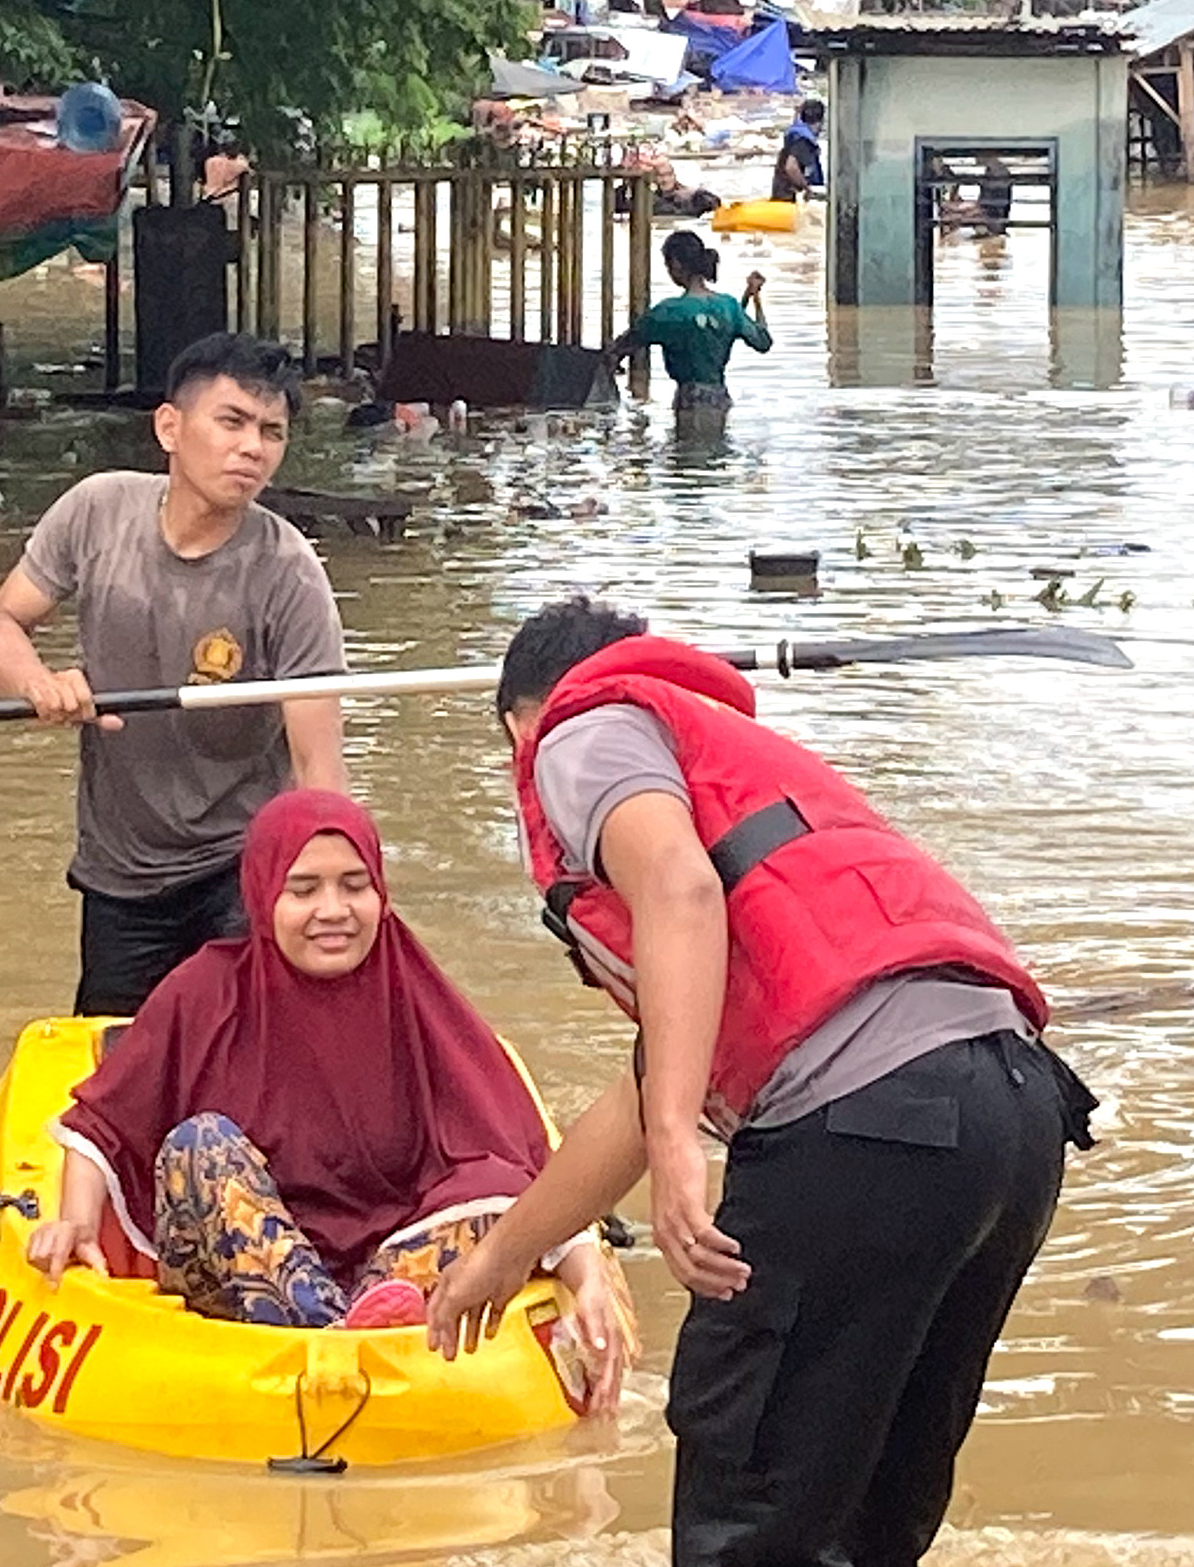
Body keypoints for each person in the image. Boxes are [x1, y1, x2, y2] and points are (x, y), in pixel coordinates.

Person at [426, 597, 1098, 1567]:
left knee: (747, 1522)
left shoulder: (578, 730)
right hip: (1012, 1119)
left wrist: (677, 1146)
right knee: (866, 1528)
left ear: (513, 727)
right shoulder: (727, 760)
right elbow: (646, 1088)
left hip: (866, 1127)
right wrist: (504, 1255)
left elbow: (681, 889)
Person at [24, 790, 629, 1397]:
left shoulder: (417, 997)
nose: (333, 910)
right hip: (238, 1268)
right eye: (304, 890)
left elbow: (522, 1160)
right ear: (263, 896)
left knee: (490, 1188)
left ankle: (356, 1325)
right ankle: (336, 1332)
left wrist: (587, 1277)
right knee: (199, 1146)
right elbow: (101, 1125)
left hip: (386, 1271)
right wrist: (74, 1223)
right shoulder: (202, 992)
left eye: (354, 886)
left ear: (381, 894)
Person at [0, 333, 349, 1018]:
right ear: (169, 427)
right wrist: (39, 683)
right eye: (231, 422)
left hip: (240, 866)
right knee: (117, 1058)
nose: (252, 449)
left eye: (271, 433)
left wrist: (332, 893)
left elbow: (319, 769)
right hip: (120, 873)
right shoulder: (95, 511)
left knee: (244, 1054)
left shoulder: (289, 572)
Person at [609, 231, 771, 420]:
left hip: (689, 401)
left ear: (676, 264)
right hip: (720, 400)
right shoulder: (729, 306)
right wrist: (756, 297)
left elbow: (626, 344)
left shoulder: (668, 312)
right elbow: (763, 341)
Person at [769, 97, 825, 201]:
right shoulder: (803, 140)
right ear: (820, 121)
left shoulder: (796, 133)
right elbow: (791, 167)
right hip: (788, 198)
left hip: (781, 194)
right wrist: (807, 189)